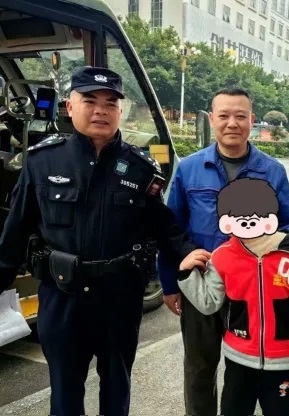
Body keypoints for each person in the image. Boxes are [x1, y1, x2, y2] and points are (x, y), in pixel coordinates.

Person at [0, 66, 195, 416]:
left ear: (120, 111)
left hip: (119, 298)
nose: (100, 111)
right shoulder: (43, 161)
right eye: (90, 101)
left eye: (110, 104)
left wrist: (190, 253)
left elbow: (164, 226)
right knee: (64, 393)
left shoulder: (140, 168)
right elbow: (15, 230)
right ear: (70, 106)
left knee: (117, 388)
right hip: (62, 296)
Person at [157, 87, 289, 416]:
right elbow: (171, 229)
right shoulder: (189, 168)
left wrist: (284, 261)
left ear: (251, 120)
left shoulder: (272, 171)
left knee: (248, 372)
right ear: (212, 119)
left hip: (254, 290)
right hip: (203, 284)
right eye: (223, 115)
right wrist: (169, 282)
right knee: (199, 368)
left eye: (240, 116)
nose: (232, 123)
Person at [177, 178, 289, 416]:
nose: (247, 222)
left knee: (280, 411)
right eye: (237, 217)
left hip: (285, 359)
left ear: (270, 219)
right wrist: (186, 273)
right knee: (233, 410)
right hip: (239, 358)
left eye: (255, 216)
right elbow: (208, 302)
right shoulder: (222, 257)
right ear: (226, 221)